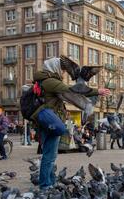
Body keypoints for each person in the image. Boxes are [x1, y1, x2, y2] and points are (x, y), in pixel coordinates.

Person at [30, 57, 110, 191]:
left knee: (50, 155)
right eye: (62, 69)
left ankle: (50, 182)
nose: (63, 72)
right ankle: (46, 185)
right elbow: (72, 92)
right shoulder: (50, 81)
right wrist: (97, 92)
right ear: (54, 68)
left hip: (47, 120)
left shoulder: (44, 80)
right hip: (50, 121)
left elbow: (66, 95)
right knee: (49, 156)